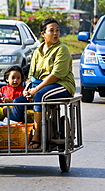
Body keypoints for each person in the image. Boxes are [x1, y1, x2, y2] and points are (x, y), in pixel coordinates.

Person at [10, 18, 76, 149]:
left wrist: (35, 91)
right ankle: (17, 134)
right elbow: (31, 75)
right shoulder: (37, 51)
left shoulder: (62, 49)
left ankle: (37, 136)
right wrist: (27, 89)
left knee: (40, 96)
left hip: (62, 85)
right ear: (43, 34)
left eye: (57, 30)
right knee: (18, 102)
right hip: (39, 86)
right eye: (51, 30)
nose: (55, 33)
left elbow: (56, 75)